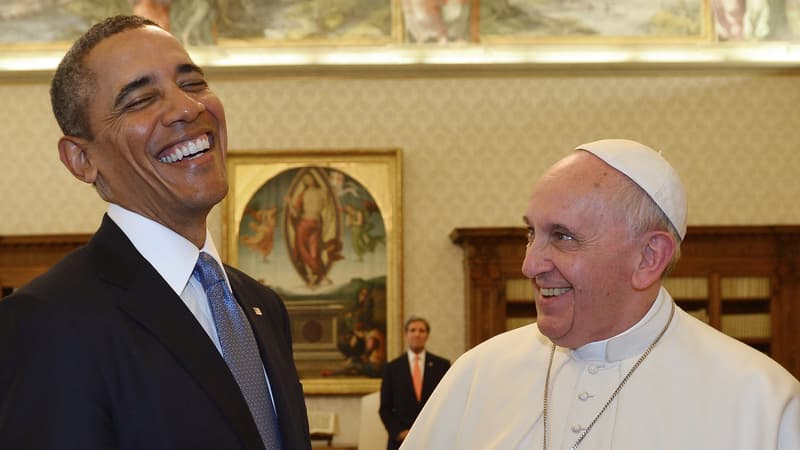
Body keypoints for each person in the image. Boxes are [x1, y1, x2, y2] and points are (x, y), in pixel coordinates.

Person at [0, 15, 311, 450]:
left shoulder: (262, 307)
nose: (187, 108)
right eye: (141, 99)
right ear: (80, 159)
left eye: (194, 82)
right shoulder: (49, 322)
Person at [401, 139, 800, 449]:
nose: (529, 264)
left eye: (562, 236)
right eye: (531, 233)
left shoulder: (761, 402)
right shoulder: (477, 376)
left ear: (648, 257)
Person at [380, 316, 450, 450]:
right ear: (406, 334)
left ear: (427, 335)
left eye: (421, 330)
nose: (417, 334)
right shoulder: (392, 368)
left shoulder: (442, 366)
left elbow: (446, 402)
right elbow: (385, 408)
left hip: (433, 438)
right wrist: (399, 433)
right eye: (412, 330)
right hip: (401, 441)